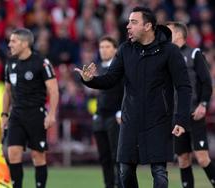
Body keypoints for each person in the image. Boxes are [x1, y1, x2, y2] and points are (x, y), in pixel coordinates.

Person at [75, 6, 192, 188]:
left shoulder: (170, 51)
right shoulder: (125, 50)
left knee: (159, 172)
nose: (128, 26)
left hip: (159, 119)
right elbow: (110, 79)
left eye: (133, 22)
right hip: (130, 120)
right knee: (125, 170)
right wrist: (89, 80)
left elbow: (184, 87)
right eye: (128, 21)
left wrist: (182, 119)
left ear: (148, 26)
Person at [1, 28, 59, 188]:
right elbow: (6, 91)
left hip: (36, 114)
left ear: (25, 43)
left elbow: (53, 90)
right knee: (13, 154)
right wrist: (4, 114)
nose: (9, 44)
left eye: (13, 41)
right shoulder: (10, 63)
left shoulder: (42, 62)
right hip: (16, 115)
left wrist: (51, 114)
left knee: (38, 156)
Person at [166, 22, 215, 188]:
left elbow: (207, 83)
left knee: (202, 158)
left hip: (194, 113)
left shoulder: (194, 53)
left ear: (179, 34)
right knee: (183, 159)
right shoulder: (168, 57)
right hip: (177, 116)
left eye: (169, 31)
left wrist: (203, 104)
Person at [93, 36, 133, 188]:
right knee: (104, 157)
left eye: (107, 47)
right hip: (100, 117)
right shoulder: (99, 67)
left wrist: (121, 111)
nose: (103, 50)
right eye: (101, 47)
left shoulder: (120, 69)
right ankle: (108, 185)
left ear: (115, 49)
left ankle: (120, 184)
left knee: (116, 155)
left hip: (114, 117)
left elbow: (126, 91)